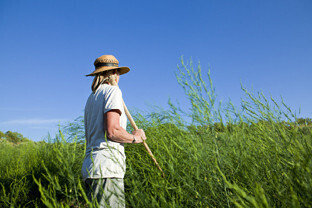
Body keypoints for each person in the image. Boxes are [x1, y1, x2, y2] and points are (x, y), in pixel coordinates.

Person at [81, 55, 146, 208]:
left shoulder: (91, 98)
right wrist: (136, 138)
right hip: (107, 168)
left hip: (92, 168)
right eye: (117, 73)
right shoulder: (113, 92)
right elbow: (113, 131)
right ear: (114, 74)